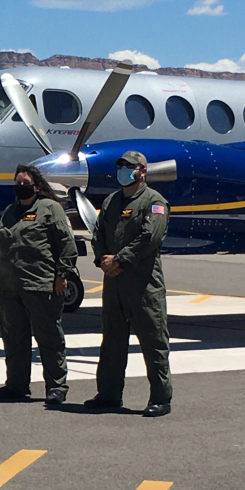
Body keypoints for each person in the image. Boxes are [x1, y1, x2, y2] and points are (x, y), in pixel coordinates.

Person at [87, 150, 173, 417]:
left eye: (129, 166)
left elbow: (151, 236)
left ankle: (161, 398)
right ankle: (109, 394)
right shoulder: (112, 201)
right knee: (112, 340)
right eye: (121, 166)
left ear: (142, 171)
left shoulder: (154, 202)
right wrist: (103, 259)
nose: (124, 170)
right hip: (114, 284)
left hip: (143, 284)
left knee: (153, 340)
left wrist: (121, 259)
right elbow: (98, 232)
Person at [0, 164, 77, 407]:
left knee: (49, 338)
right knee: (14, 339)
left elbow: (67, 245)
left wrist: (62, 275)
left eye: (25, 182)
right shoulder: (10, 212)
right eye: (18, 182)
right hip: (10, 287)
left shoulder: (51, 210)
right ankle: (16, 385)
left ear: (36, 186)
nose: (21, 186)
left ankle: (56, 386)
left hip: (41, 285)